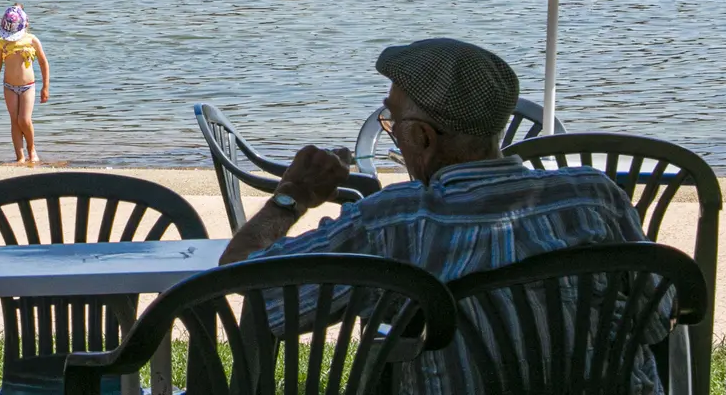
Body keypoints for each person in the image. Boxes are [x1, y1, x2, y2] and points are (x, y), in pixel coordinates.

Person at [220, 38, 665, 395]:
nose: (393, 134)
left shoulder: (394, 223)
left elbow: (245, 280)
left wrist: (292, 196)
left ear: (422, 136)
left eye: (393, 123)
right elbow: (660, 317)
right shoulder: (593, 197)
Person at [0, 5, 49, 164]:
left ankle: (31, 149)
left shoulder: (32, 40)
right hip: (9, 87)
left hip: (28, 86)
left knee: (24, 120)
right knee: (14, 120)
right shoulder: (2, 43)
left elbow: (43, 63)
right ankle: (19, 156)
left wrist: (45, 86)